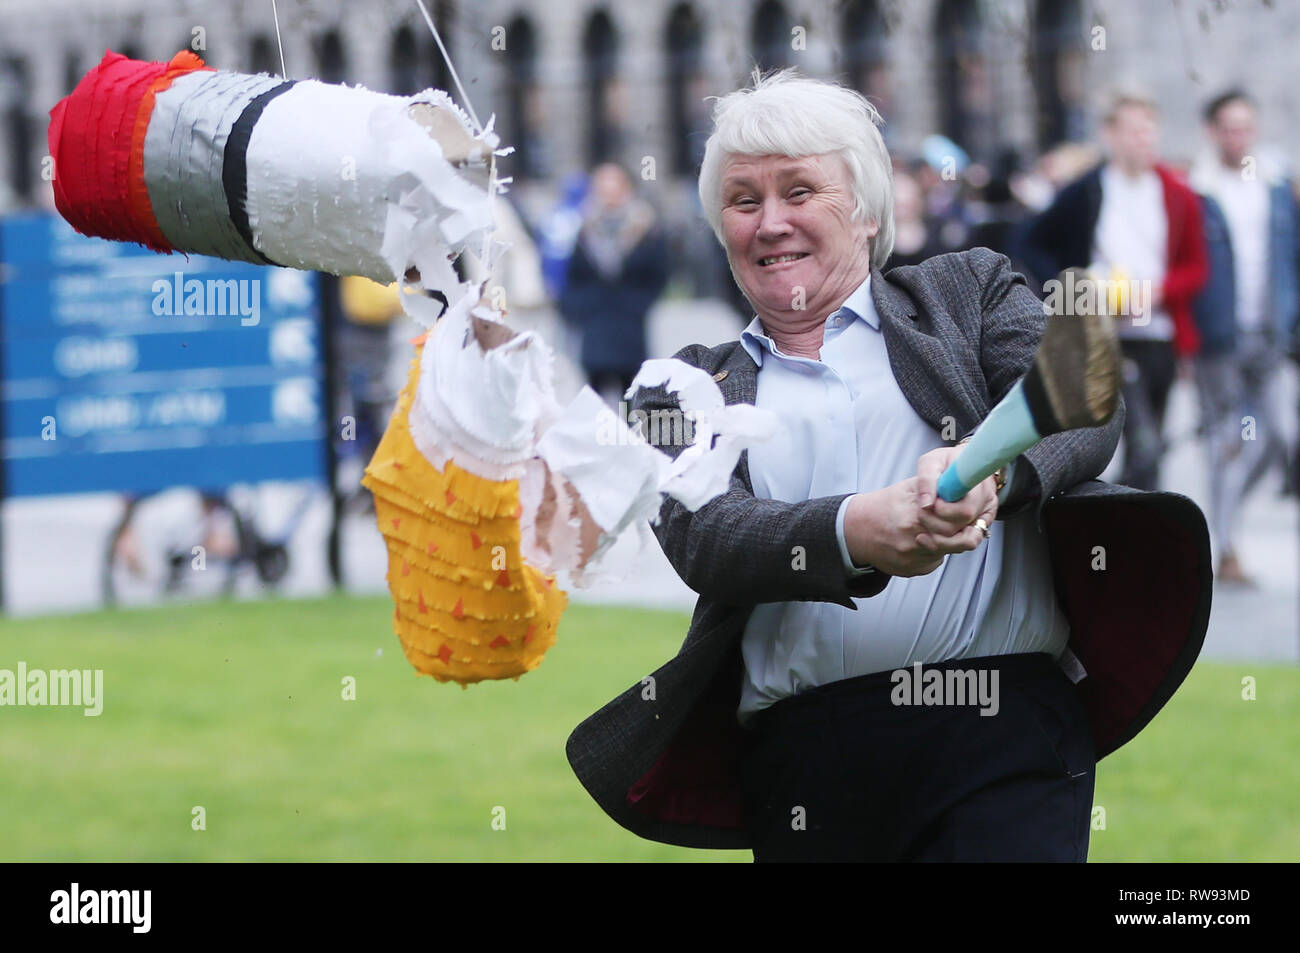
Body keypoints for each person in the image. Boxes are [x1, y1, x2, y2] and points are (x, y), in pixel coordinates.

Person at [566, 70, 1211, 862]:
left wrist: (995, 476)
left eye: (800, 191)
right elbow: (707, 538)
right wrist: (854, 530)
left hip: (1002, 731)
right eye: (743, 201)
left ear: (867, 210)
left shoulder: (965, 291)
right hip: (806, 762)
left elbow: (1084, 397)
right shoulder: (680, 383)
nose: (771, 223)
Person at [1018, 91, 1209, 491]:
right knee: (1142, 445)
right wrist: (1073, 290)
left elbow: (1196, 268)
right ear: (1111, 135)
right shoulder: (1086, 190)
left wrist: (1158, 292)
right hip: (1104, 335)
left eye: (1149, 130)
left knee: (1153, 441)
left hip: (1159, 334)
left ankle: (1138, 524)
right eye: (1133, 130)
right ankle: (1120, 518)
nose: (1143, 140)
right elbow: (1031, 242)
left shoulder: (1178, 194)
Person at [1189, 89, 1300, 584]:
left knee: (1279, 435)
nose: (1239, 136)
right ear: (1213, 132)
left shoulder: (1274, 186)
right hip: (1220, 338)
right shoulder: (1199, 190)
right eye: (1229, 127)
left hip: (1269, 333)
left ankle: (1227, 527)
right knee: (1227, 441)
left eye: (1245, 126)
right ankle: (1225, 546)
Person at [557, 162, 669, 407]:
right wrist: (582, 308)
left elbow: (659, 273)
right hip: (595, 329)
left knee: (632, 403)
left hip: (630, 330)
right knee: (595, 408)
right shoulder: (585, 229)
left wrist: (638, 304)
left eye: (614, 186)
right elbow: (573, 276)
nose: (608, 194)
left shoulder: (645, 227)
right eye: (602, 187)